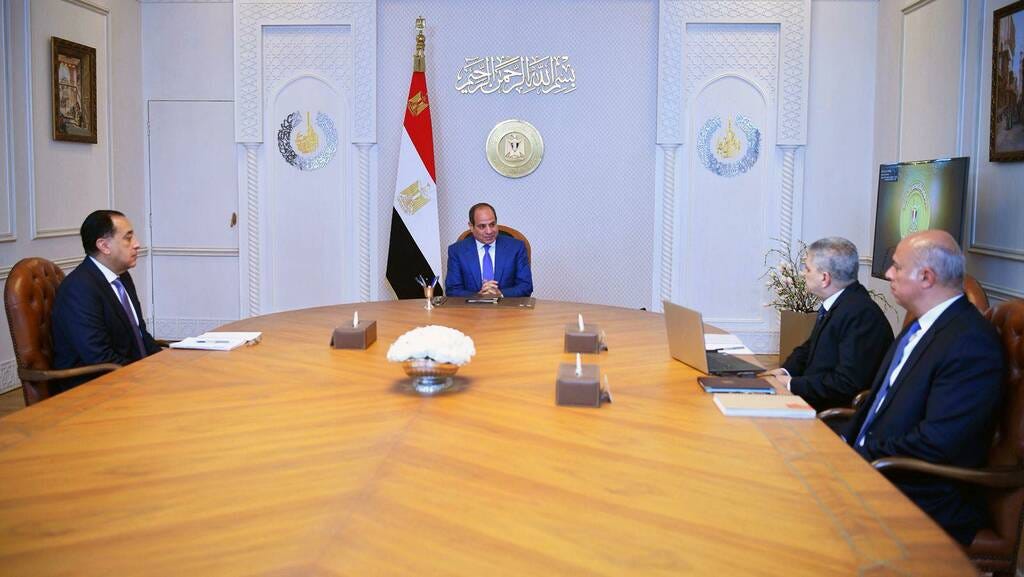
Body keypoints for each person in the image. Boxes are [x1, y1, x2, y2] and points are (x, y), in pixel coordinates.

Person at [844, 230, 1004, 546]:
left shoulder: (970, 343)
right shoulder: (921, 325)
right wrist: (842, 445)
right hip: (877, 468)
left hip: (920, 493)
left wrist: (856, 456)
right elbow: (881, 405)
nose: (888, 274)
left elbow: (937, 442)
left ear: (926, 277)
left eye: (897, 266)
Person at [762, 237, 893, 411]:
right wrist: (785, 372)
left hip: (827, 413)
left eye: (808, 269)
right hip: (812, 399)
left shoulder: (862, 315)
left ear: (825, 278)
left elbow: (845, 384)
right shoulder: (841, 303)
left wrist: (790, 384)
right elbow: (809, 348)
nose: (803, 273)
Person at [51, 210, 161, 391]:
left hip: (131, 377)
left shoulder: (122, 276)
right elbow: (100, 358)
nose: (137, 244)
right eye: (128, 238)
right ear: (104, 246)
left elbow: (141, 335)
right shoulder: (79, 289)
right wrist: (147, 375)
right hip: (94, 389)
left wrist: (165, 365)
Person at [445, 203, 533, 297]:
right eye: (482, 226)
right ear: (471, 226)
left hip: (507, 305)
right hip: (471, 305)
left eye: (492, 224)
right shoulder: (457, 251)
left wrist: (500, 294)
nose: (489, 231)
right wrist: (478, 296)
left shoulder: (516, 247)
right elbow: (452, 290)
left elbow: (526, 286)